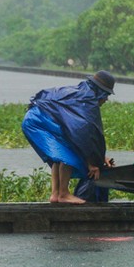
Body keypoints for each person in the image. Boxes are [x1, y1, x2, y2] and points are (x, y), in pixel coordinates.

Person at [21, 71, 116, 204]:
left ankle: (55, 195)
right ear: (100, 92)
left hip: (33, 118)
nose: (106, 99)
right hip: (39, 120)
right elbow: (83, 134)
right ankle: (64, 194)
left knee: (58, 155)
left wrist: (99, 158)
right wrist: (93, 163)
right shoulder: (87, 101)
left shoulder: (82, 93)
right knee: (69, 152)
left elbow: (83, 134)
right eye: (106, 95)